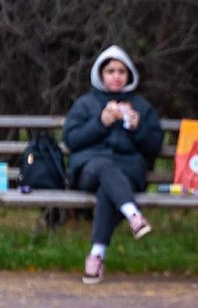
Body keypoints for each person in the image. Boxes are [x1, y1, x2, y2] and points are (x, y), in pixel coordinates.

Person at [64, 45, 163, 285]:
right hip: (89, 169)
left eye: (121, 71)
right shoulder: (86, 104)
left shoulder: (140, 106)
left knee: (108, 190)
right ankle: (133, 215)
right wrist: (102, 122)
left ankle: (96, 256)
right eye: (110, 71)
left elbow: (154, 146)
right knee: (103, 167)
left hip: (127, 172)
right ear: (100, 74)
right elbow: (72, 140)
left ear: (129, 75)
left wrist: (136, 127)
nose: (116, 76)